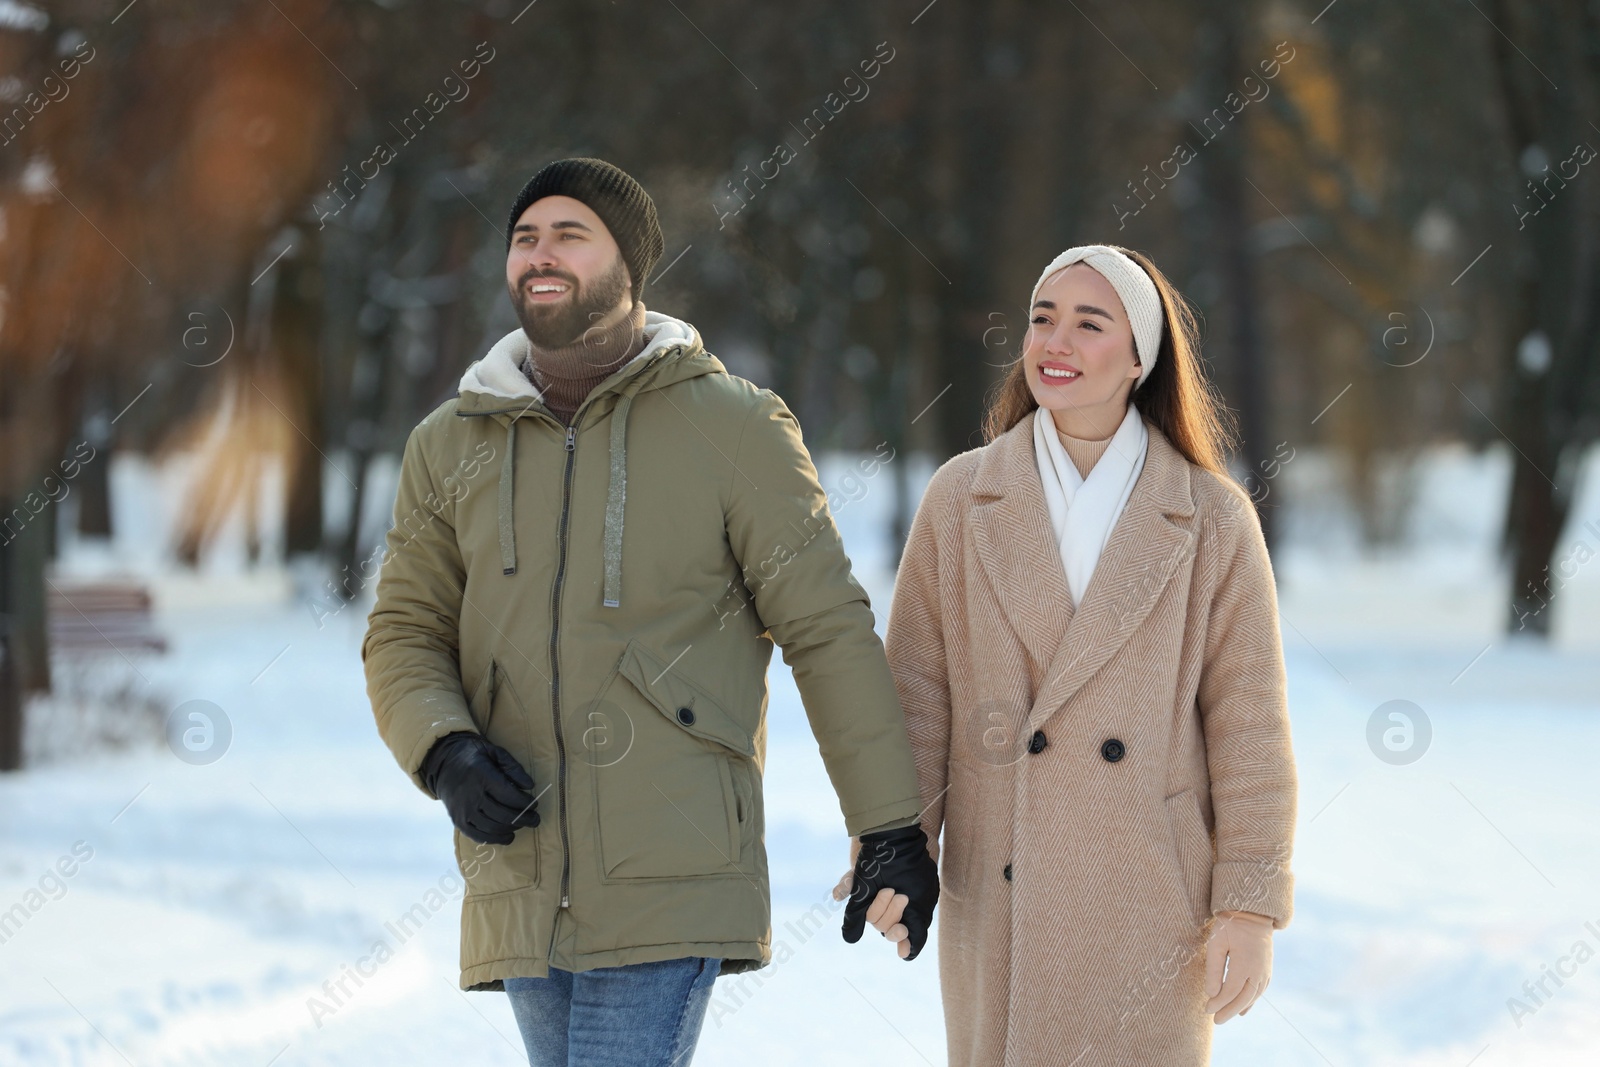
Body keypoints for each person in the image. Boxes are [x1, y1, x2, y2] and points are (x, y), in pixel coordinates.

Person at [361, 157, 939, 1066]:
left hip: (676, 862)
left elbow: (825, 627)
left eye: (569, 234)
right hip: (519, 862)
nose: (539, 255)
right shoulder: (449, 443)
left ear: (629, 264)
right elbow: (403, 629)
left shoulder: (734, 426)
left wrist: (890, 823)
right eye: (524, 238)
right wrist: (444, 751)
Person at [851, 244, 1297, 1064]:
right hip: (1000, 884)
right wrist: (894, 839)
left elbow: (1250, 724)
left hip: (1153, 897)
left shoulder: (1211, 517)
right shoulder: (962, 494)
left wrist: (1249, 902)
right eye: (1041, 319)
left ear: (1140, 356)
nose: (1055, 341)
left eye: (1089, 323)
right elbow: (916, 691)